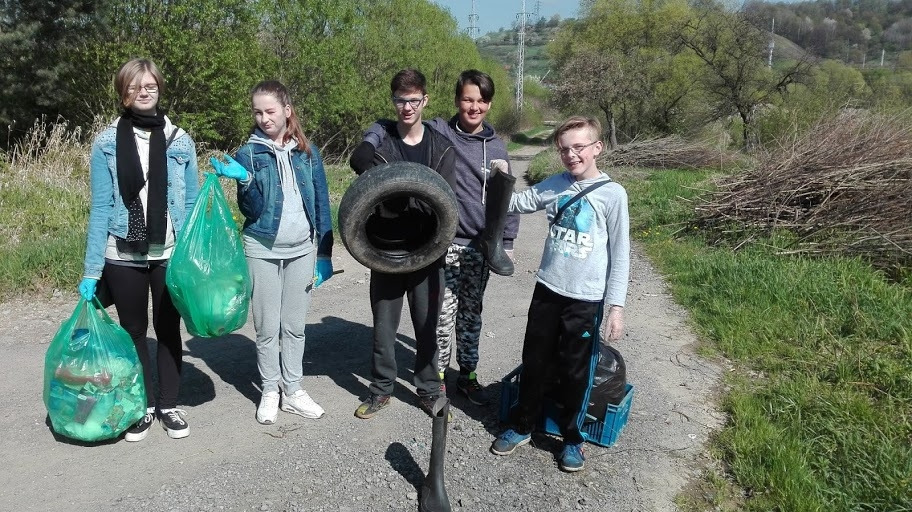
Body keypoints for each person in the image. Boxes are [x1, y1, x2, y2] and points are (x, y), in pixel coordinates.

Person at [361, 70, 520, 406]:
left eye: (481, 101)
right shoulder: (440, 131)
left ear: (489, 104)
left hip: (474, 245)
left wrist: (506, 242)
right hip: (436, 246)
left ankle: (465, 377)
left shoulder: (493, 147)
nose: (474, 107)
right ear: (456, 101)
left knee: (469, 316)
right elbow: (393, 123)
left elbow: (506, 198)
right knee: (437, 321)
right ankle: (433, 382)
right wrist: (372, 135)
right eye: (467, 99)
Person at [489, 116, 630, 472]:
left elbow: (621, 254)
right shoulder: (555, 184)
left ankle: (572, 439)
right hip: (548, 290)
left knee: (575, 371)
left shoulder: (613, 195)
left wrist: (616, 307)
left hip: (585, 299)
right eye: (564, 149)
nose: (571, 155)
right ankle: (523, 426)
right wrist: (498, 178)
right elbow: (516, 203)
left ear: (597, 148)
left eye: (579, 147)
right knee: (534, 361)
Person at [78, 58, 199, 441]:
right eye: (134, 87)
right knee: (133, 331)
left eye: (149, 86)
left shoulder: (180, 140)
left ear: (159, 88)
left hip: (170, 252)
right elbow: (100, 207)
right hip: (122, 254)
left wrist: (193, 257)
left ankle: (169, 405)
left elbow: (192, 203)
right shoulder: (105, 142)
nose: (143, 92)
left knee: (168, 329)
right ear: (123, 93)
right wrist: (91, 270)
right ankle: (142, 407)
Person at [211, 81, 334, 425]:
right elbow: (251, 210)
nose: (264, 118)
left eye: (270, 111)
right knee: (267, 328)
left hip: (302, 250)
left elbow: (321, 202)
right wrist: (245, 180)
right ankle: (269, 390)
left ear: (287, 111)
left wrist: (324, 254)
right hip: (262, 249)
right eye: (257, 112)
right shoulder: (248, 154)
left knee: (294, 326)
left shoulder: (308, 152)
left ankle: (293, 390)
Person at [348, 69, 456, 420]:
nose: (406, 107)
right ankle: (381, 389)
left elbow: (447, 200)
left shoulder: (441, 147)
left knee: (427, 326)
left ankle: (428, 390)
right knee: (383, 327)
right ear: (393, 101)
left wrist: (407, 197)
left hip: (427, 251)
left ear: (425, 100)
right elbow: (358, 162)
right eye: (400, 100)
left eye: (413, 100)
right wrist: (373, 134)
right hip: (386, 249)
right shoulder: (382, 143)